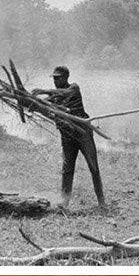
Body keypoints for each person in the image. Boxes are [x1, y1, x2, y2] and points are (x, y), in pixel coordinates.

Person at [33, 65, 106, 208]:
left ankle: (101, 202)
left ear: (66, 78)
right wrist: (32, 103)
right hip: (67, 136)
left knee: (93, 167)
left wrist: (42, 91)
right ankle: (64, 201)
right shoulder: (54, 97)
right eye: (54, 78)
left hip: (82, 134)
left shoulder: (73, 88)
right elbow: (43, 105)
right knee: (67, 169)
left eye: (58, 78)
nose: (55, 81)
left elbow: (65, 92)